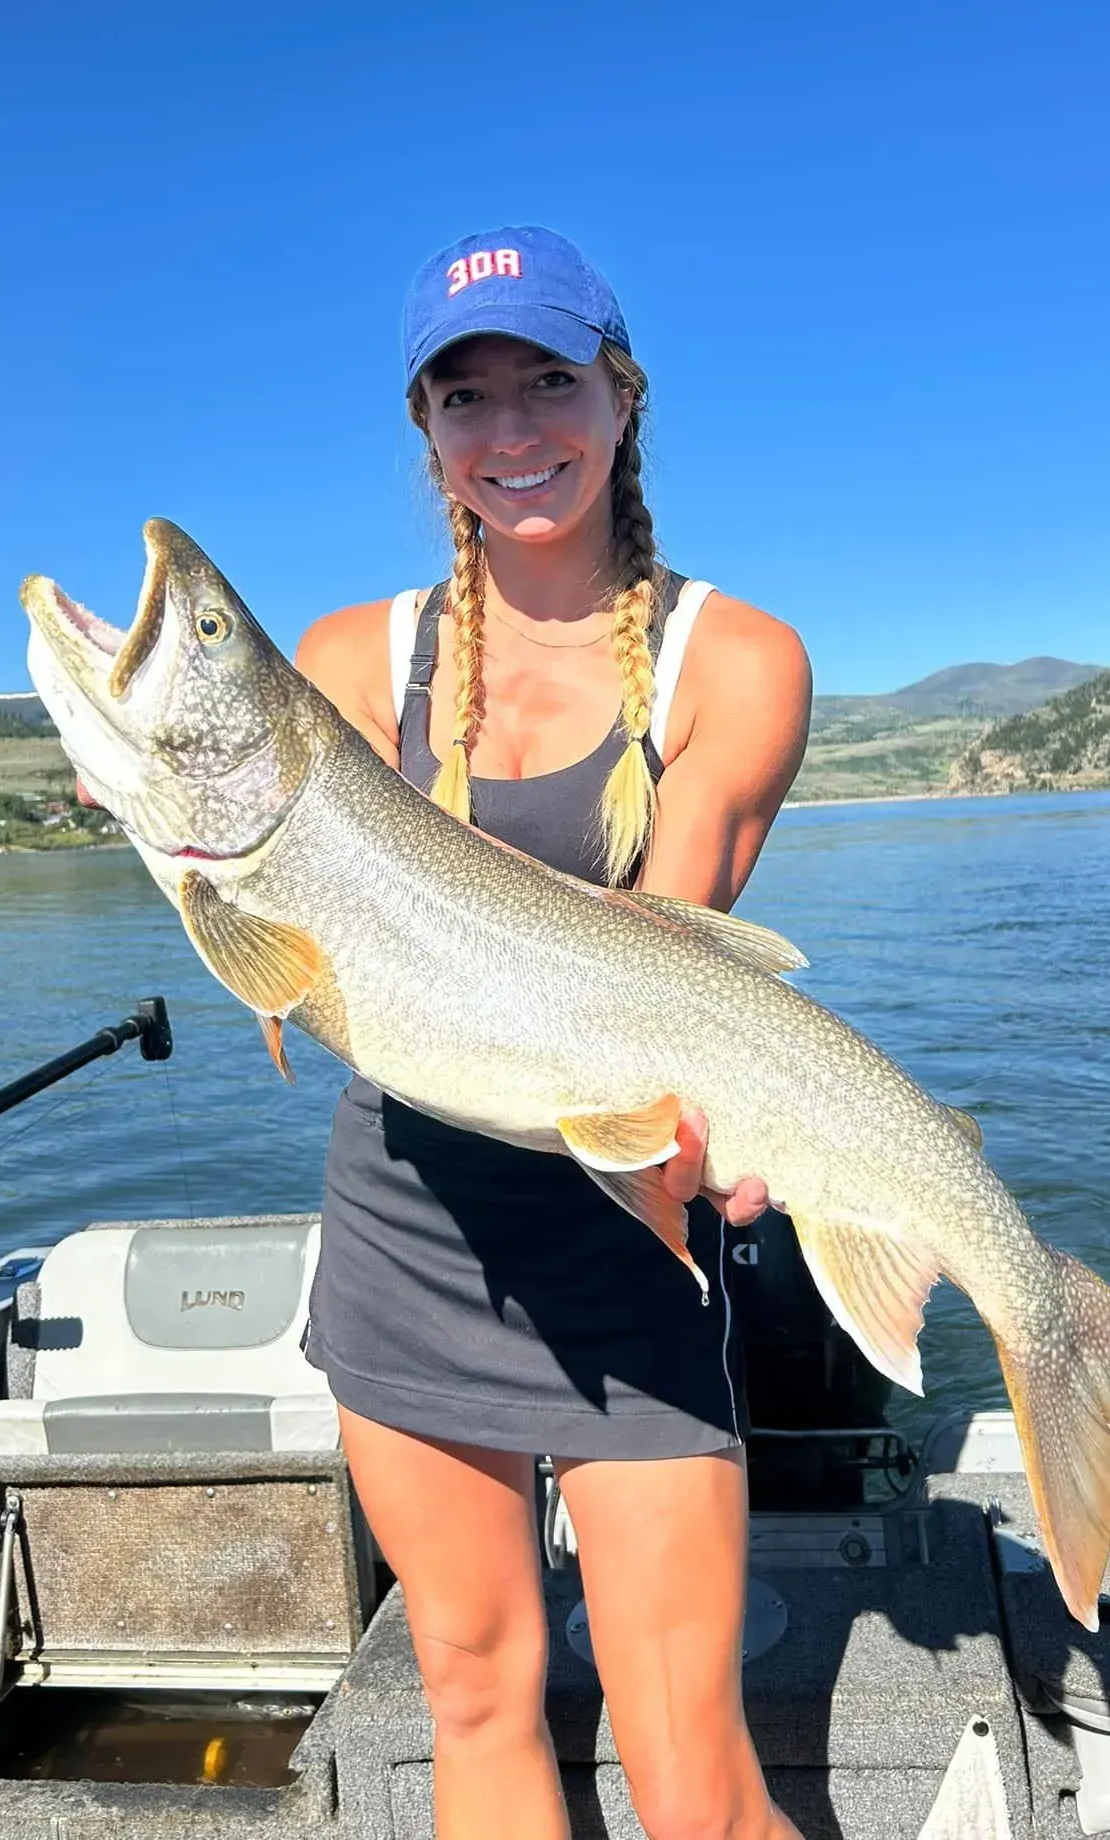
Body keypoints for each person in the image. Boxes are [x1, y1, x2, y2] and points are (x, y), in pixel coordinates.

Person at [295, 226, 812, 1840]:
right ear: (427, 435)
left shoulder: (734, 658)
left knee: (690, 1769)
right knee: (470, 1695)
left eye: (547, 381)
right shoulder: (342, 662)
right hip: (407, 1238)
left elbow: (662, 971)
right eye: (467, 396)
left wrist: (725, 1126)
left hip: (622, 1235)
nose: (512, 431)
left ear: (621, 396)